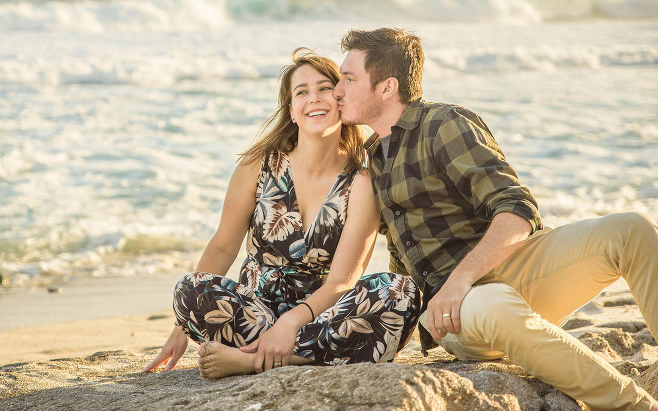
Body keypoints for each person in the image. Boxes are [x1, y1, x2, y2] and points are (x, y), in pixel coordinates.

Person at [332, 27, 658, 411]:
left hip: (512, 268)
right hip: (461, 312)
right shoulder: (372, 161)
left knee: (631, 229)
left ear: (386, 87)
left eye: (349, 79)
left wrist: (460, 280)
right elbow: (400, 261)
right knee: (494, 303)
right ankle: (635, 406)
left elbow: (516, 210)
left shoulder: (442, 123)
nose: (338, 90)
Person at [144, 48, 421, 379]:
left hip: (321, 316)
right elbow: (223, 246)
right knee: (188, 288)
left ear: (341, 100)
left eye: (324, 89)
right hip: (254, 314)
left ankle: (256, 361)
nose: (314, 99)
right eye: (301, 92)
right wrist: (181, 326)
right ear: (291, 111)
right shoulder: (258, 166)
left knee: (401, 292)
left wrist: (291, 323)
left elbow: (342, 281)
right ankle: (293, 356)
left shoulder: (360, 183)